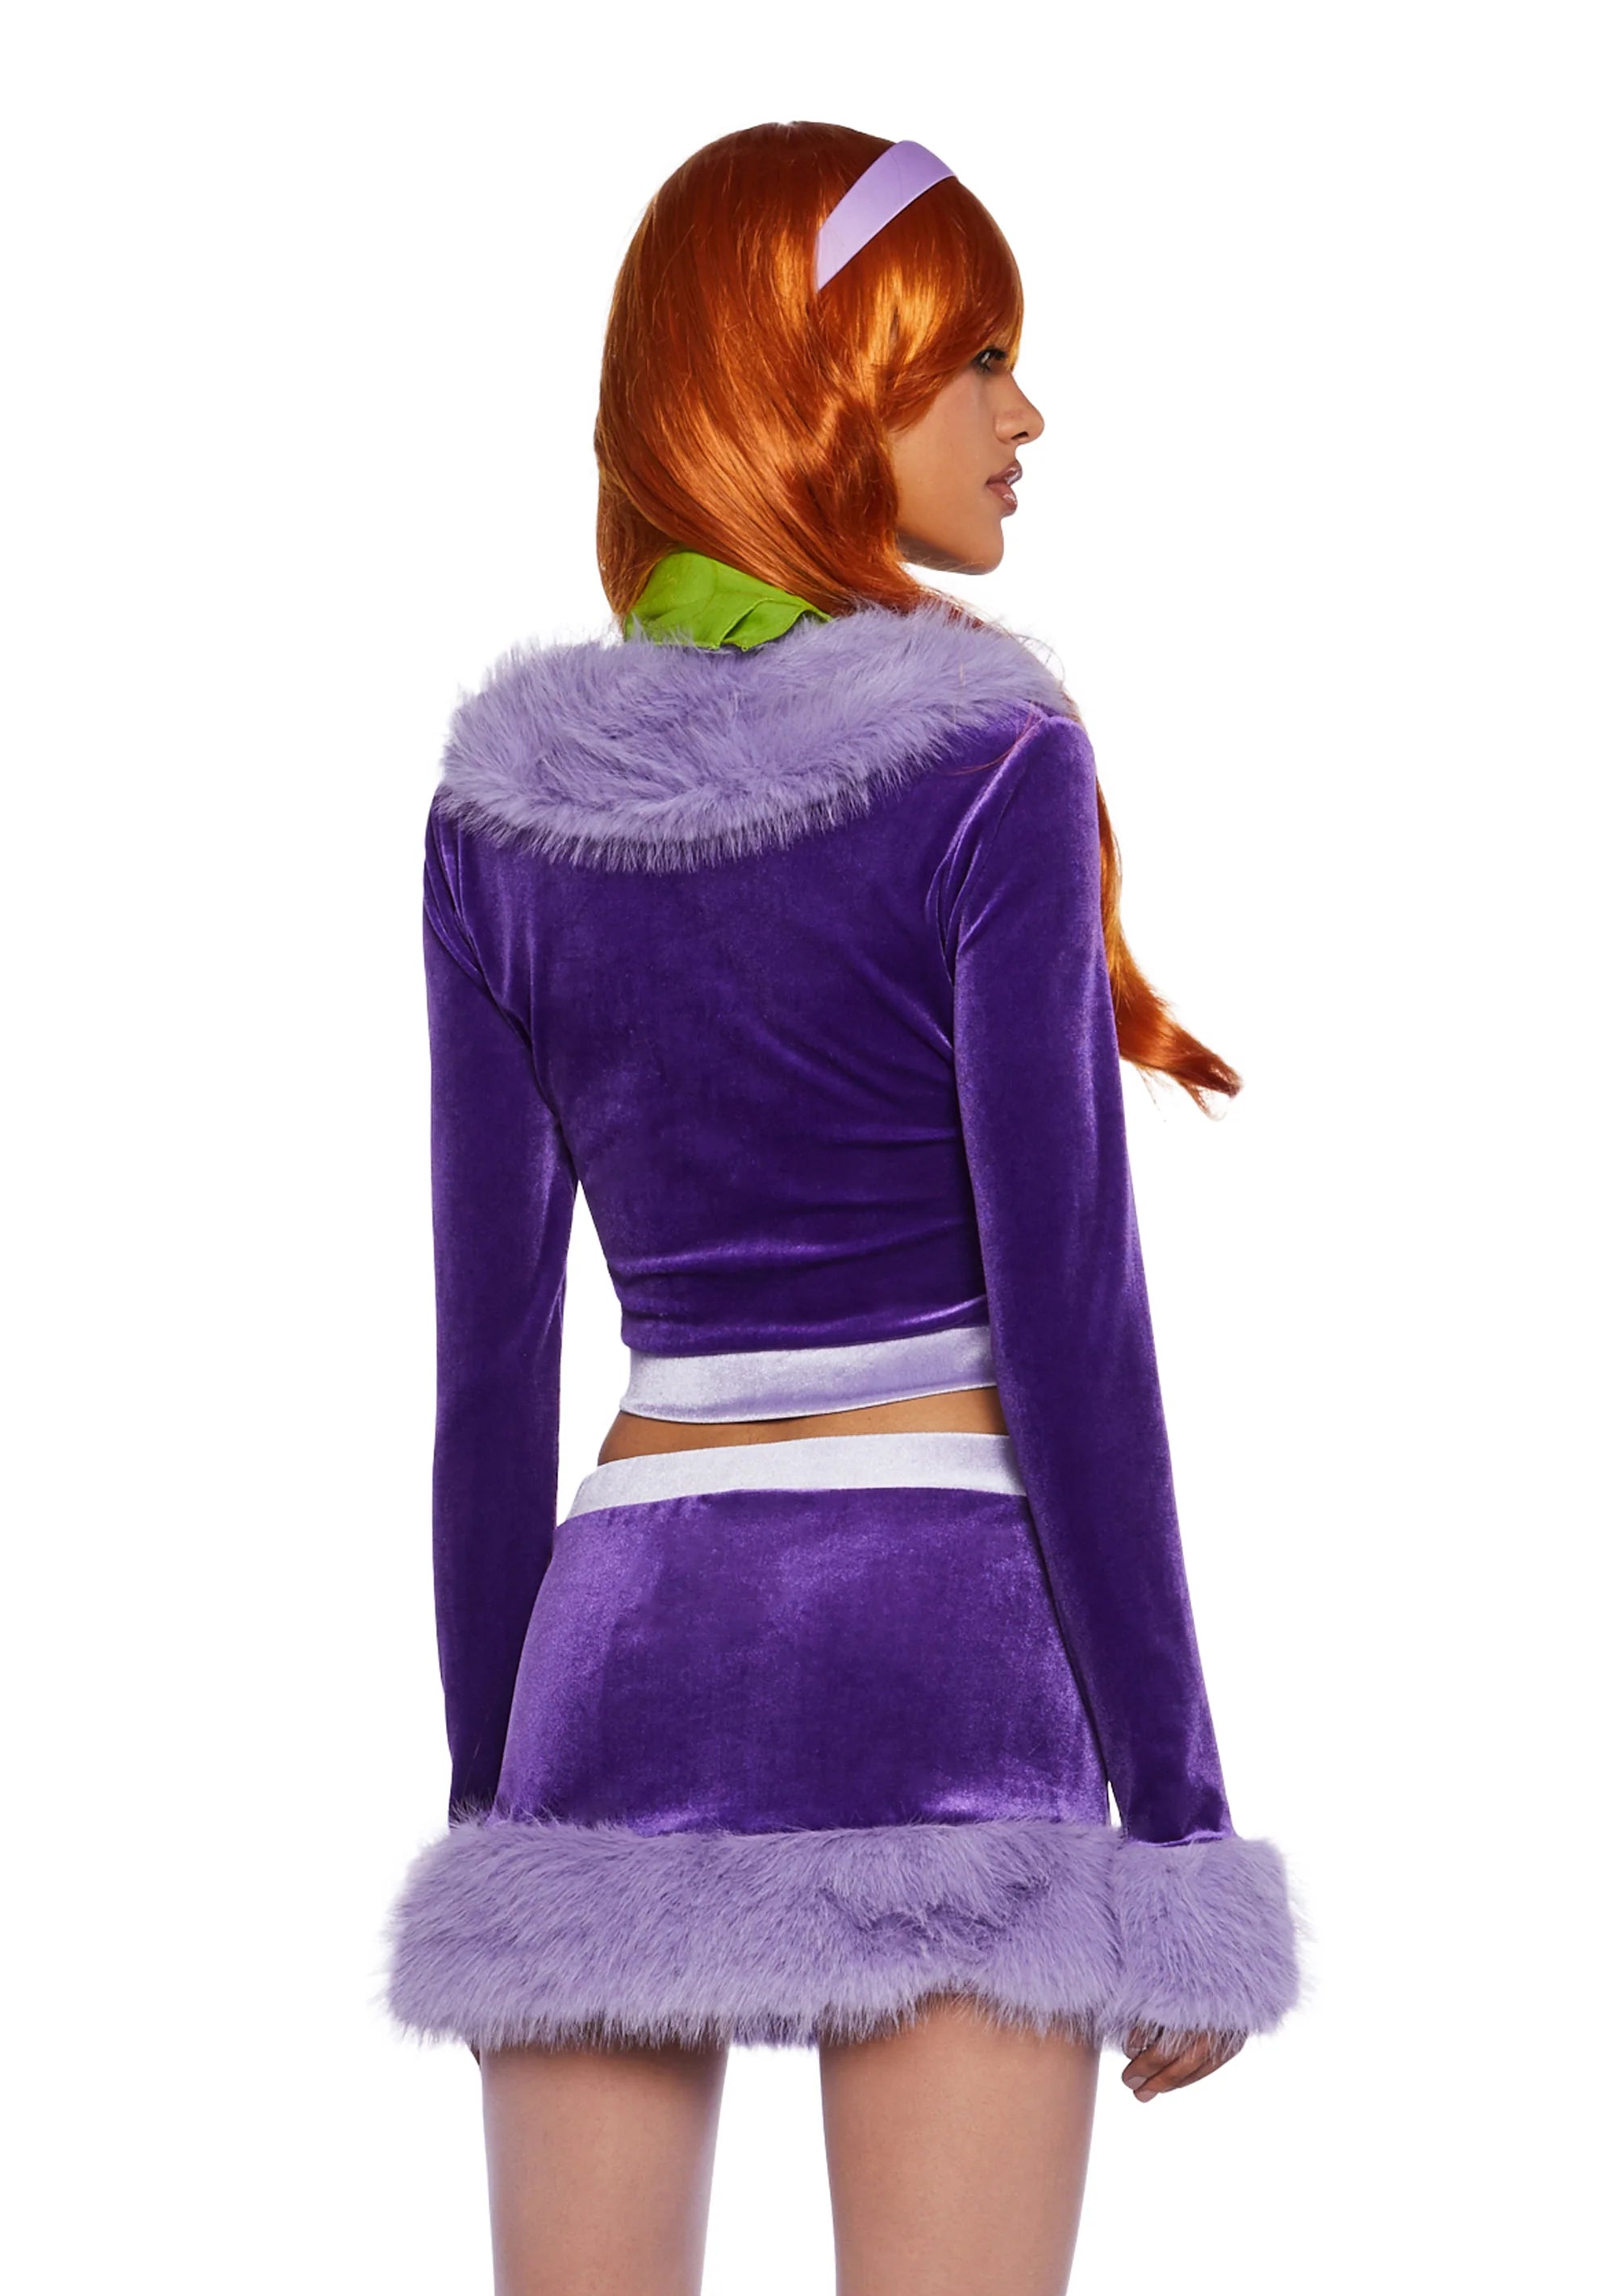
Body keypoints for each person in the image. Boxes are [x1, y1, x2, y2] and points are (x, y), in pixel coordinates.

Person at [385, 123, 1301, 2296]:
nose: (1024, 412)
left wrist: (495, 1804)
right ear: (823, 377)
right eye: (971, 355)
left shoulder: (500, 822)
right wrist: (1176, 1816)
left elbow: (489, 1375)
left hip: (618, 1649)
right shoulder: (990, 763)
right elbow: (1075, 1336)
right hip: (944, 1650)